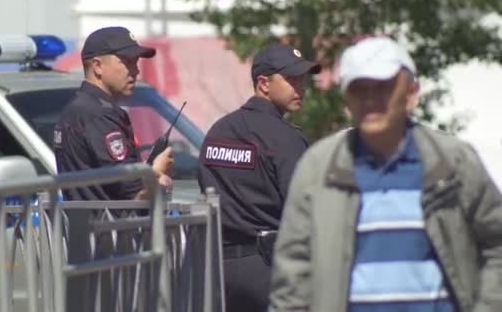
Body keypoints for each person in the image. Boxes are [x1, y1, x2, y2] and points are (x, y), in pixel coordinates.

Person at [269, 37, 502, 312]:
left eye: (383, 88)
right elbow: (292, 273)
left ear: (411, 92)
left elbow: (496, 246)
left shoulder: (452, 162)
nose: (370, 100)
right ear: (346, 100)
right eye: (359, 89)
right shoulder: (318, 169)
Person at [53, 26, 174, 312]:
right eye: (127, 62)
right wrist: (155, 175)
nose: (136, 71)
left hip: (95, 247)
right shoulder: (97, 114)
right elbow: (132, 195)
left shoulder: (81, 109)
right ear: (97, 66)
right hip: (111, 250)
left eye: (137, 62)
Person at [198, 44, 321, 312]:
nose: (301, 88)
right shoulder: (285, 138)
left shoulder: (218, 131)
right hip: (269, 269)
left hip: (219, 270)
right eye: (291, 79)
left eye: (302, 79)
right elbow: (306, 208)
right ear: (263, 83)